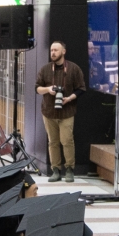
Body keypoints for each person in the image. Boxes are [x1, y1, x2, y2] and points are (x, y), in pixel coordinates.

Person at [33, 41, 86, 181]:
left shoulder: (74, 69)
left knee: (67, 140)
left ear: (63, 51)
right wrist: (48, 89)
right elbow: (37, 88)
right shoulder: (45, 69)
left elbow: (81, 89)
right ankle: (55, 170)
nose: (53, 53)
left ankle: (69, 169)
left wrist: (69, 98)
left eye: (56, 50)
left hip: (67, 111)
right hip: (49, 111)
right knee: (53, 142)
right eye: (51, 50)